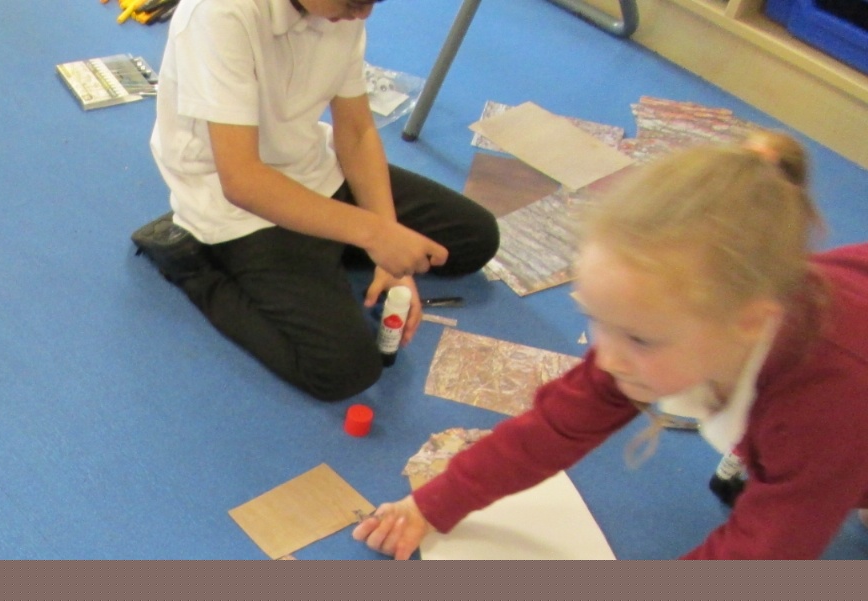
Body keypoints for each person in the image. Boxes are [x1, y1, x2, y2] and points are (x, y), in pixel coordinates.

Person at [354, 131, 868, 561]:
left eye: (638, 338)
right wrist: (434, 503)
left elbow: (759, 554)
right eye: (598, 321)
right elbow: (553, 427)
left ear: (748, 325)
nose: (608, 357)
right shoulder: (656, 318)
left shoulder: (825, 409)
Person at [132, 0, 499, 403]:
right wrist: (376, 234)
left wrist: (386, 240)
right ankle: (192, 264)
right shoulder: (219, 14)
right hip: (234, 205)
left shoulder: (336, 10)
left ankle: (325, 251)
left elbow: (356, 132)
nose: (363, 15)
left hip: (310, 166)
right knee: (345, 371)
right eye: (355, 2)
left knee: (475, 238)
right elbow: (242, 180)